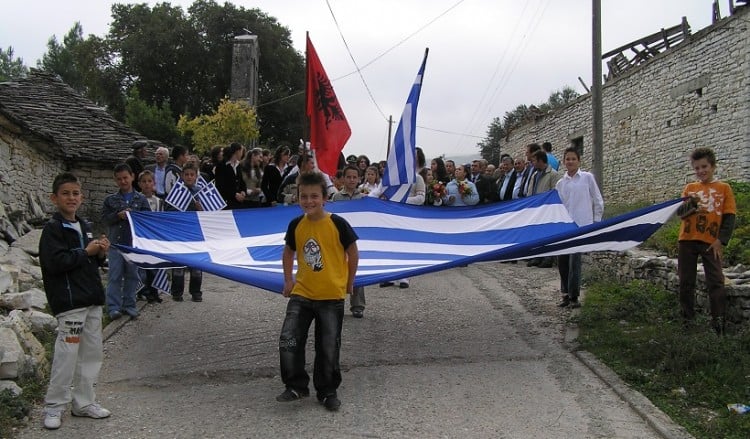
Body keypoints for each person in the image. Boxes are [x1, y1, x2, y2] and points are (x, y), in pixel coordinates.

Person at [277, 171, 359, 412]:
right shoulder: (296, 225)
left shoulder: (337, 224)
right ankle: (296, 385)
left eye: (314, 196)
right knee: (289, 339)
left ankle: (327, 390)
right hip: (302, 294)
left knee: (328, 346)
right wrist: (288, 280)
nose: (308, 201)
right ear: (298, 198)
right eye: (304, 196)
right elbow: (288, 252)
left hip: (331, 296)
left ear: (325, 198)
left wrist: (349, 282)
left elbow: (353, 252)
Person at [39, 172, 112, 430]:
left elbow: (90, 262)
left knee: (92, 354)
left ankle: (84, 402)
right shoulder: (52, 229)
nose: (72, 198)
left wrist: (100, 253)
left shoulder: (84, 225)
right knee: (67, 355)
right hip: (70, 303)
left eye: (76, 193)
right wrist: (86, 252)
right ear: (54, 198)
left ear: (81, 197)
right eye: (66, 193)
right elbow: (55, 263)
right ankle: (54, 406)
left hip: (91, 299)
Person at [676, 147, 736, 334]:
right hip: (687, 240)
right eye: (697, 168)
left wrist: (721, 241)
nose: (701, 171)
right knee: (686, 282)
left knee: (716, 282)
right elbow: (681, 214)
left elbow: (729, 217)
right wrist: (691, 204)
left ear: (713, 167)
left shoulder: (724, 188)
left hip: (711, 242)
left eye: (704, 167)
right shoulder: (690, 188)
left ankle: (718, 326)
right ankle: (687, 323)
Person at [555, 147, 604, 309]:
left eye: (573, 159)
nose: (570, 162)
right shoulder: (560, 184)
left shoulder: (587, 178)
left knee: (574, 262)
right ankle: (565, 294)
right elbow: (556, 206)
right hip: (564, 228)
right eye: (567, 159)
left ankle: (574, 296)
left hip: (581, 226)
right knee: (562, 261)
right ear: (563, 161)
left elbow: (597, 200)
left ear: (579, 161)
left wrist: (596, 221)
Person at [101, 163, 152, 320]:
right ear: (115, 180)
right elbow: (105, 219)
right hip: (116, 244)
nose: (123, 181)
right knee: (114, 276)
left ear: (132, 177)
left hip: (133, 245)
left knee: (132, 276)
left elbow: (148, 220)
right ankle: (113, 307)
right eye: (119, 179)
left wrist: (134, 216)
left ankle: (129, 305)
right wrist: (118, 216)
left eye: (125, 178)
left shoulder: (141, 199)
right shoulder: (110, 200)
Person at [332, 165, 367, 317]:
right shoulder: (336, 197)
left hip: (357, 238)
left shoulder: (364, 198)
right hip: (340, 237)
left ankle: (357, 305)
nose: (352, 180)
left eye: (355, 177)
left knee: (356, 269)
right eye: (349, 177)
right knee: (337, 268)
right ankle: (335, 302)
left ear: (359, 179)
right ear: (343, 179)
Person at [168, 162, 205, 302]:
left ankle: (196, 292)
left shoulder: (200, 191)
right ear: (182, 176)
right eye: (186, 174)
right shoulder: (176, 192)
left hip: (196, 232)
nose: (189, 177)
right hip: (180, 232)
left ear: (196, 176)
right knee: (179, 263)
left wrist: (200, 208)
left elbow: (208, 214)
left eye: (192, 175)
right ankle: (177, 291)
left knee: (197, 264)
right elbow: (169, 210)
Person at [135, 170, 164, 304]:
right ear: (139, 184)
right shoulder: (137, 200)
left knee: (155, 266)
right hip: (141, 238)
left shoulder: (159, 202)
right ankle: (143, 291)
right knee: (142, 266)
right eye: (144, 182)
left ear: (154, 183)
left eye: (149, 181)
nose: (147, 184)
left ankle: (154, 291)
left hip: (154, 238)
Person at [215, 142, 247, 209]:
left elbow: (241, 181)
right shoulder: (222, 166)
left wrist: (243, 191)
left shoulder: (239, 165)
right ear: (237, 152)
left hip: (238, 203)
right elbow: (220, 185)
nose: (242, 154)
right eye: (241, 151)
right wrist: (234, 194)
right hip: (227, 202)